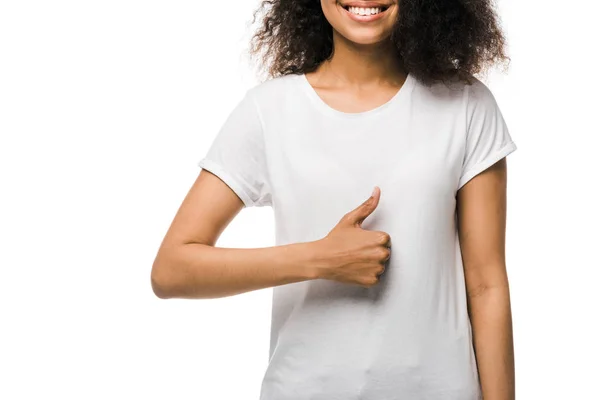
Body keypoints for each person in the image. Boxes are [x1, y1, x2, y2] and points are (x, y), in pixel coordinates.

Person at [151, 0, 517, 399]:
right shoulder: (268, 110)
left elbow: (486, 285)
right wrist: (320, 259)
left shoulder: (466, 105)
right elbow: (172, 269)